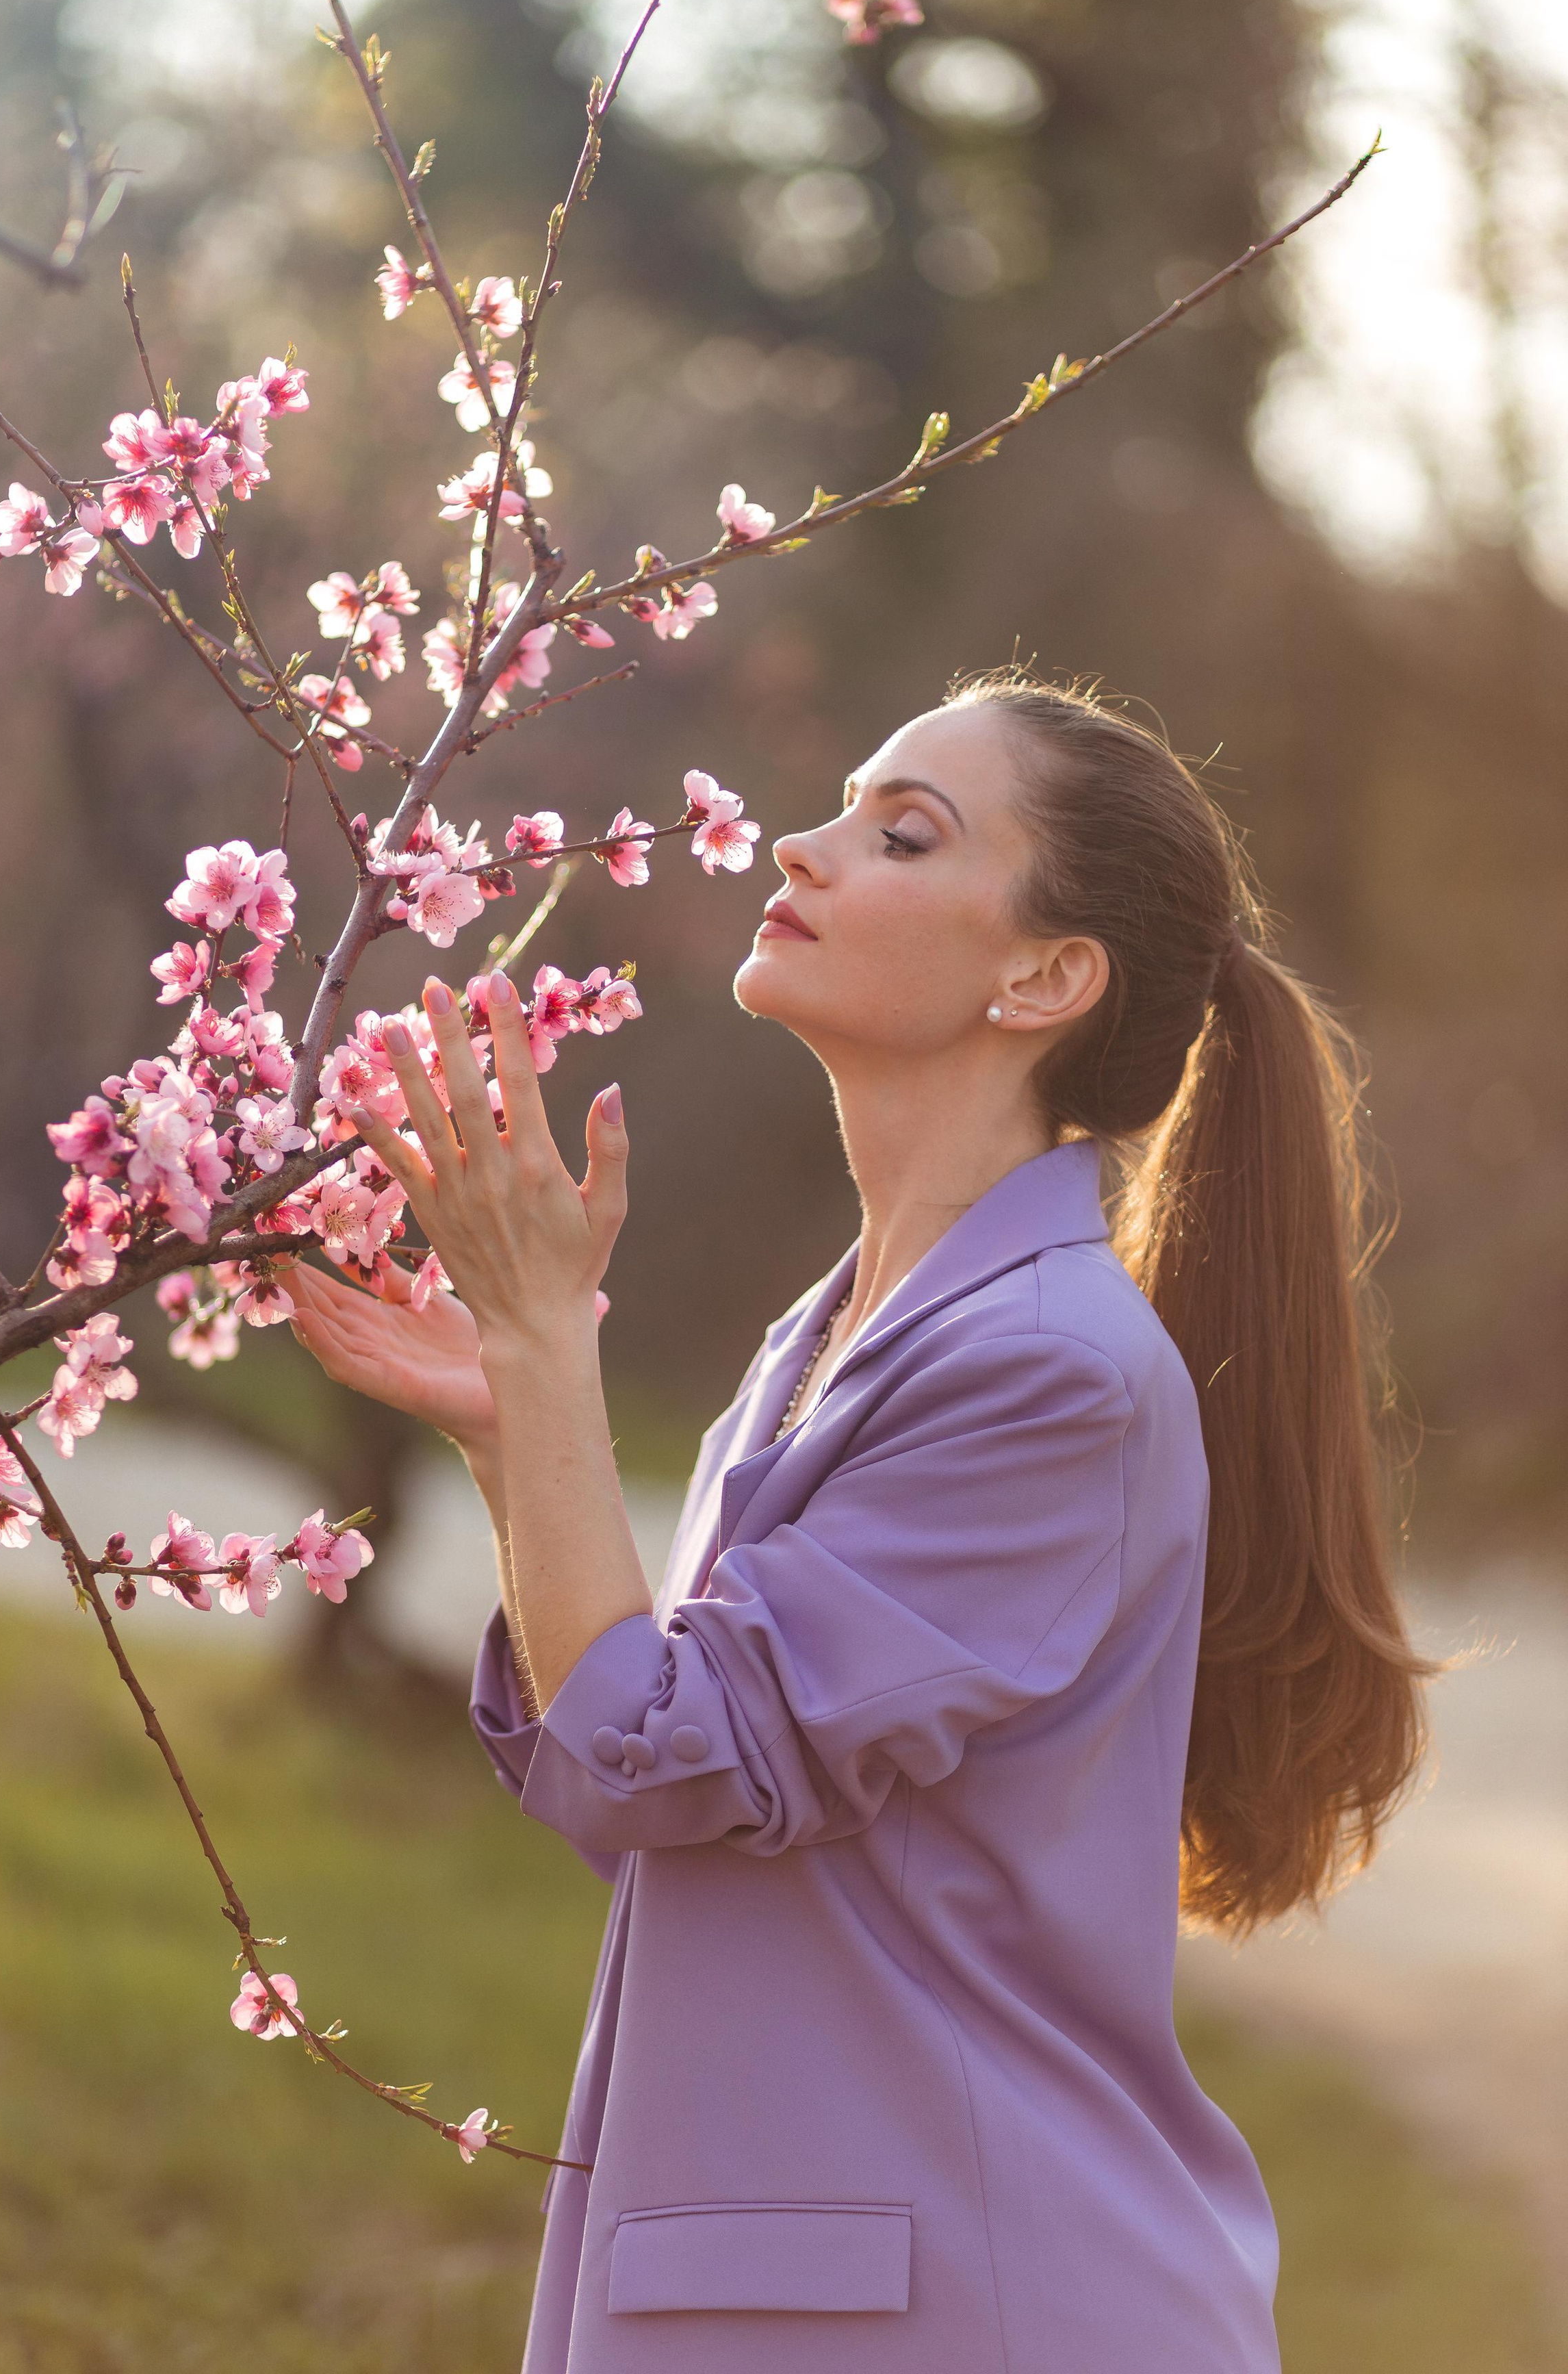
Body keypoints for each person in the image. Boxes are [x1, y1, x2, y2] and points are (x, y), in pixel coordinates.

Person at [288, 665, 1431, 2373]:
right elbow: (665, 1779)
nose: (801, 848)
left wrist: (541, 1351)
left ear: (1042, 977)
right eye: (840, 809)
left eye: (901, 834)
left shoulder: (1048, 1373)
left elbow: (655, 1764)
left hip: (969, 2307)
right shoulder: (837, 1339)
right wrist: (509, 1421)